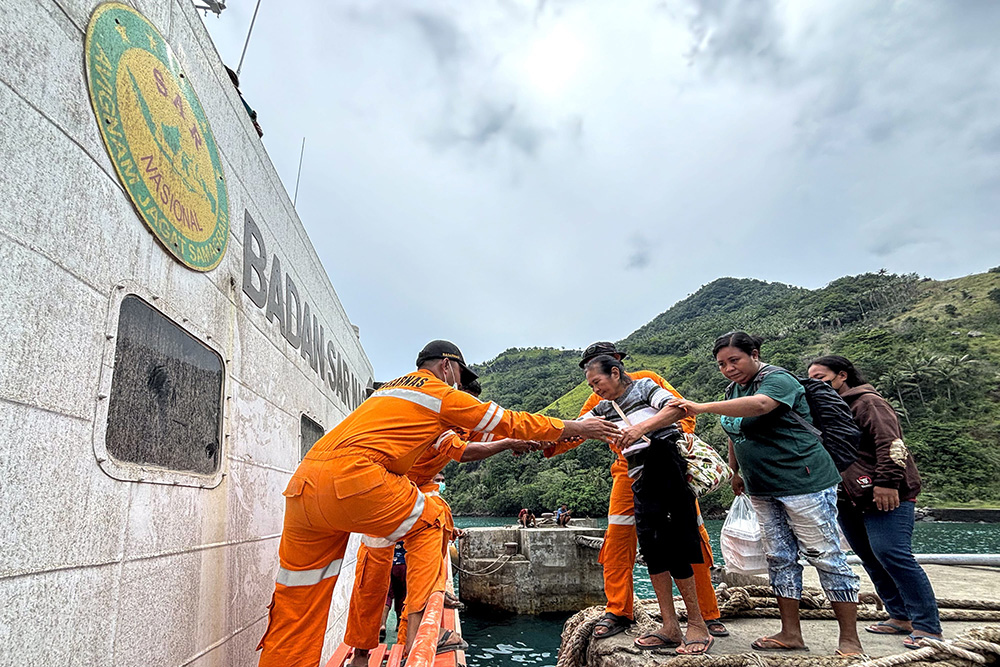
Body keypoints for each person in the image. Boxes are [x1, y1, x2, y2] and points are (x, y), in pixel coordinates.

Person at [258, 340, 619, 666]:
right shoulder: (441, 395)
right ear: (447, 367)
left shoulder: (388, 392)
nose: (460, 385)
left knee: (298, 603)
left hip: (306, 483)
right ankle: (418, 636)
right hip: (363, 483)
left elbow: (474, 441)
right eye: (460, 377)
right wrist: (578, 428)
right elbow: (507, 422)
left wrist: (507, 442)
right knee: (435, 515)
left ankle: (347, 653)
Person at [669, 332, 863, 655]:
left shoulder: (777, 380)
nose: (729, 369)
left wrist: (699, 407)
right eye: (721, 364)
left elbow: (760, 406)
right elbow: (734, 429)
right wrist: (734, 471)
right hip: (761, 486)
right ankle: (790, 633)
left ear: (754, 354)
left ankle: (850, 640)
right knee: (779, 557)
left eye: (735, 360)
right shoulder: (733, 390)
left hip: (805, 482)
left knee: (825, 555)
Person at [544, 342, 728, 640]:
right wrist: (543, 442)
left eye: (597, 368)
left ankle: (708, 615)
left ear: (616, 365)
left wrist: (662, 441)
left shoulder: (648, 381)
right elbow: (579, 429)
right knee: (618, 540)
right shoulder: (597, 398)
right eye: (589, 370)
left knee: (691, 538)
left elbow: (684, 414)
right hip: (626, 471)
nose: (593, 381)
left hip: (669, 467)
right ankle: (619, 610)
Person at [344, 392, 539, 667]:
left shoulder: (398, 418)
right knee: (414, 581)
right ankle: (413, 643)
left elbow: (481, 437)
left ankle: (362, 655)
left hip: (379, 498)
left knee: (373, 585)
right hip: (402, 511)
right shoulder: (437, 420)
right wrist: (510, 442)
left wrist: (512, 442)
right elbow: (463, 450)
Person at [580, 354, 713, 655]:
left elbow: (678, 408)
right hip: (638, 477)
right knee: (653, 551)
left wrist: (641, 428)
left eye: (597, 382)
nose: (595, 390)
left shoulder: (645, 387)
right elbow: (576, 427)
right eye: (591, 385)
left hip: (668, 466)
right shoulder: (603, 407)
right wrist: (531, 439)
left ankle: (698, 623)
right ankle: (669, 625)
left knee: (680, 546)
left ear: (615, 372)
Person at [808, 355, 941, 649]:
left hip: (884, 491)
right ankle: (900, 616)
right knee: (869, 556)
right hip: (849, 495)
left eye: (821, 377)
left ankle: (928, 626)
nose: (816, 384)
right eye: (811, 379)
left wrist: (887, 483)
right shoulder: (826, 410)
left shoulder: (868, 402)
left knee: (892, 553)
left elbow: (891, 443)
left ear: (842, 375)